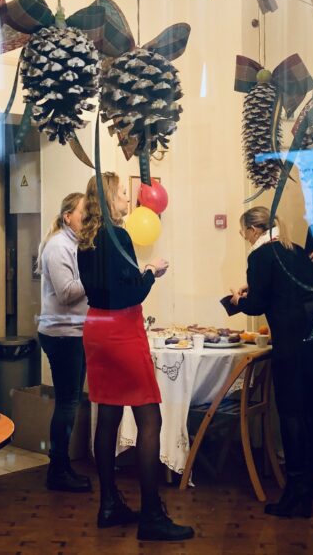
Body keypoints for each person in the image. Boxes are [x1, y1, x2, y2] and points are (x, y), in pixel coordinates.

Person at [76, 172, 194, 542]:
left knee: (108, 416)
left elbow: (107, 288)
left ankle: (109, 504)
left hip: (96, 328)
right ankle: (152, 515)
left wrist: (138, 275)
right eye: (123, 195)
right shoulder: (119, 236)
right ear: (109, 199)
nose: (129, 200)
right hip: (122, 330)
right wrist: (152, 272)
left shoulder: (85, 241)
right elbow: (132, 294)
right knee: (149, 417)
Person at [222, 207, 313, 518]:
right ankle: (307, 487)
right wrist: (255, 291)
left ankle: (297, 491)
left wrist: (238, 300)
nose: (243, 237)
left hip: (293, 345)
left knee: (291, 415)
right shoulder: (292, 250)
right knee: (312, 414)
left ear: (253, 230)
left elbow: (257, 305)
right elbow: (288, 289)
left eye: (243, 232)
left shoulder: (260, 255)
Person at [37, 192, 92, 493]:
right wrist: (95, 277)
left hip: (74, 332)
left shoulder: (76, 244)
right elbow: (67, 292)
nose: (88, 217)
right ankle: (57, 470)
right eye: (84, 212)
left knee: (70, 401)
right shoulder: (58, 246)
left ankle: (62, 466)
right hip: (62, 335)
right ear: (67, 216)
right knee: (67, 402)